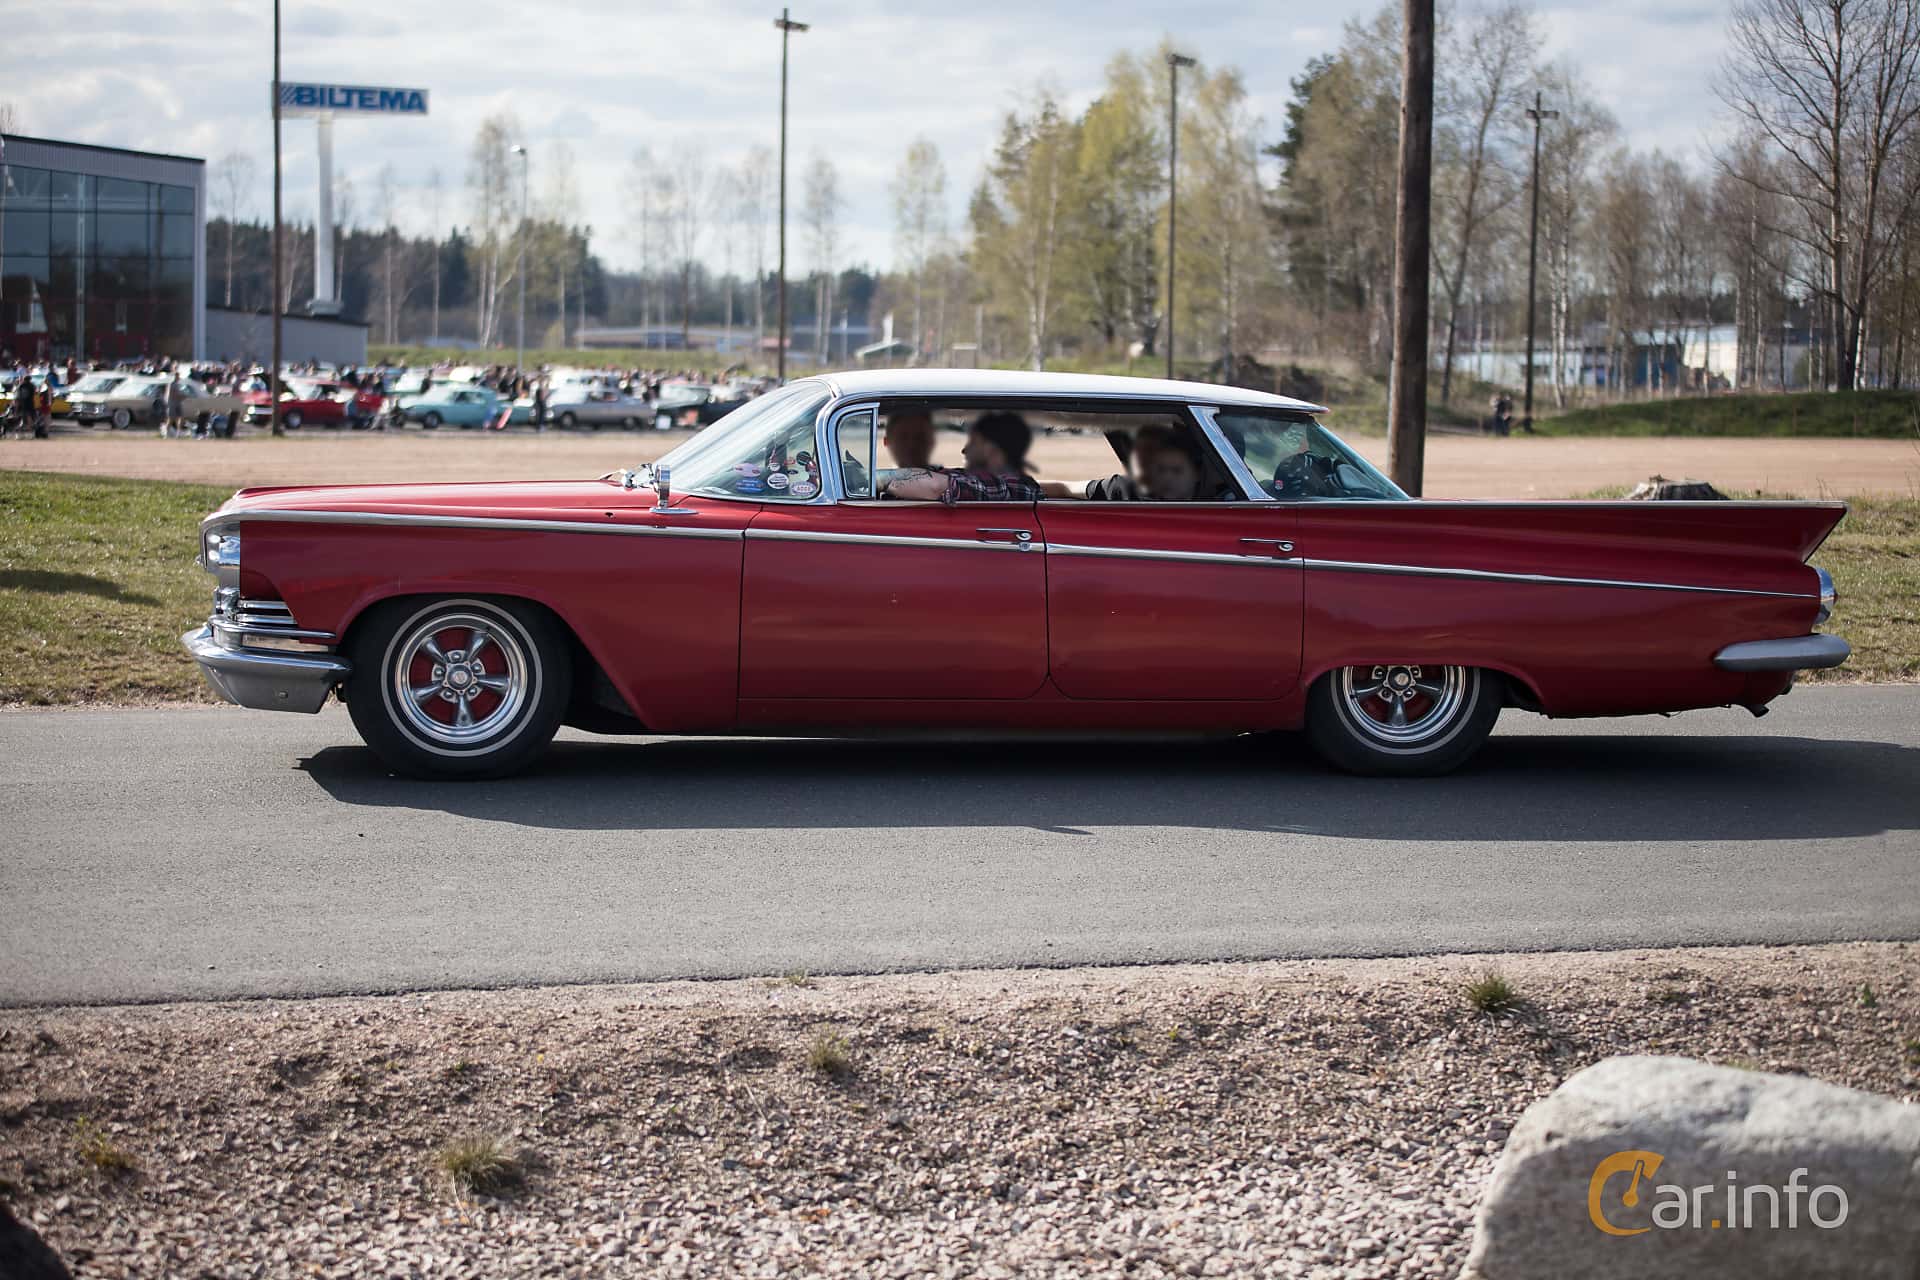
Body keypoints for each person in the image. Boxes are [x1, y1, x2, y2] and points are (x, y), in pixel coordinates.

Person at [883, 410, 1043, 504]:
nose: (964, 450)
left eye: (973, 442)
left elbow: (938, 486)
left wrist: (872, 478)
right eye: (903, 437)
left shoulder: (1016, 486)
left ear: (991, 449)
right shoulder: (958, 476)